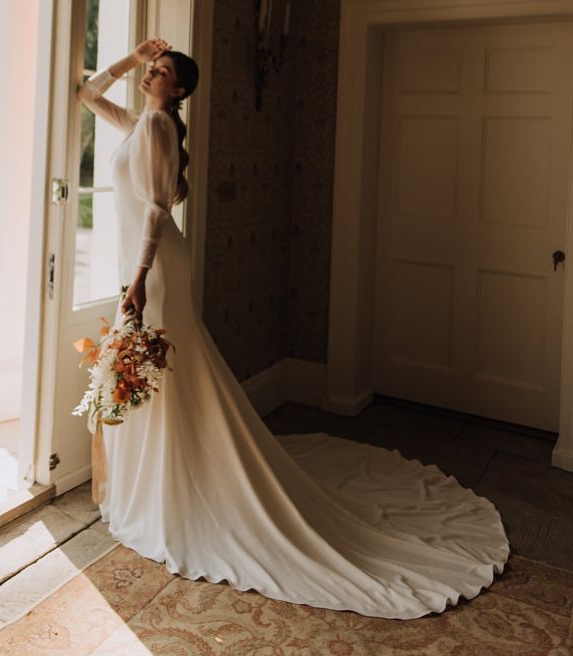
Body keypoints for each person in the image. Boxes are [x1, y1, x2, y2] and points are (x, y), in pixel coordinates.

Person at [77, 38, 509, 620]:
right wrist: (130, 59)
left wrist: (138, 279)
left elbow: (157, 209)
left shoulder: (158, 130)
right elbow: (84, 93)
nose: (150, 74)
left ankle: (178, 489)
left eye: (160, 71)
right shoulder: (138, 122)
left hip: (154, 268)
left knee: (166, 371)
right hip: (145, 264)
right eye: (150, 68)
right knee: (162, 374)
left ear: (179, 90)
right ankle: (160, 486)